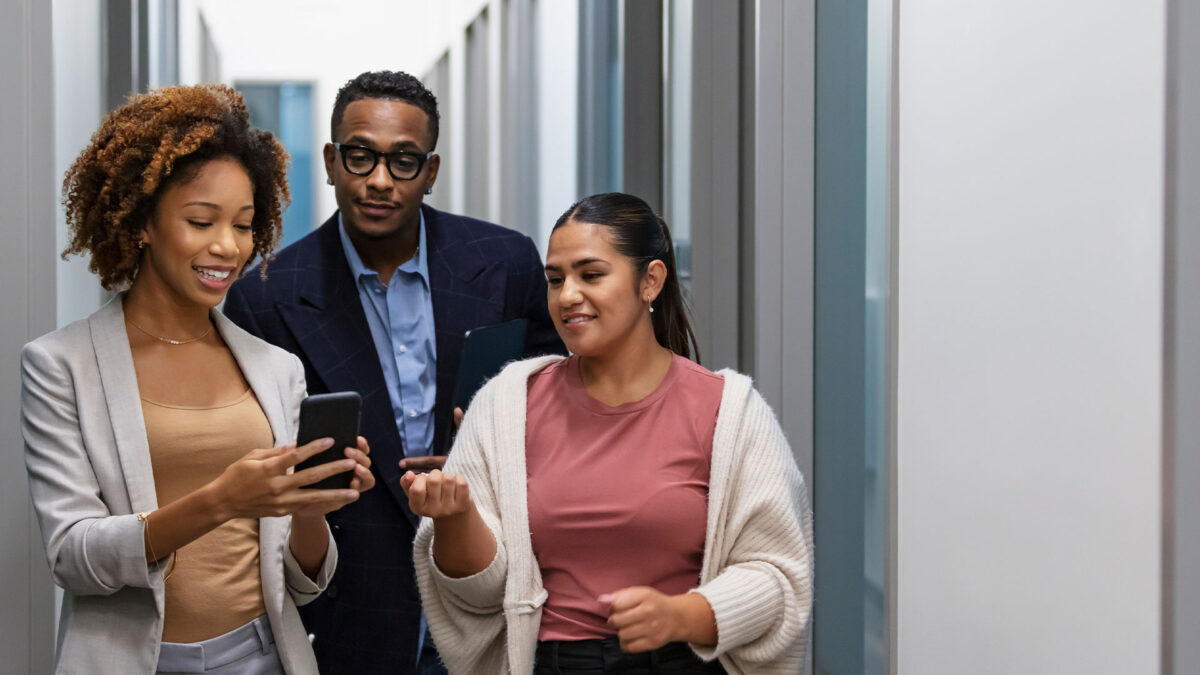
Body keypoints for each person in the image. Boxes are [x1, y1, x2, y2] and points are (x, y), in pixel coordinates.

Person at [21, 84, 375, 675]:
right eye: (200, 220)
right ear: (142, 225)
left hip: (265, 655)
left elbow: (305, 581)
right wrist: (220, 501)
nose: (227, 247)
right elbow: (73, 558)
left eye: (243, 224)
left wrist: (311, 503)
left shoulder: (275, 368)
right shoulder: (61, 366)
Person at [223, 70, 564, 673]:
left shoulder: (505, 261)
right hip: (351, 608)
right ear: (330, 162)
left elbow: (561, 409)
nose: (379, 180)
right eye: (359, 157)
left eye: (403, 161)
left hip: (490, 583)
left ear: (430, 172)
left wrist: (483, 454)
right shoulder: (265, 298)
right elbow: (263, 467)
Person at [401, 192, 814, 674]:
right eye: (555, 280)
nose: (567, 296)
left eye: (590, 275)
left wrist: (684, 614)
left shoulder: (730, 412)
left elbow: (778, 576)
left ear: (651, 281)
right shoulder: (505, 405)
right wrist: (454, 517)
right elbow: (479, 595)